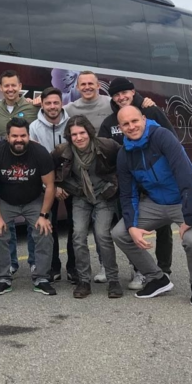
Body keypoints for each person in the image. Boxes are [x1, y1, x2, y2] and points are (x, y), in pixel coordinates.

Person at [111, 106, 192, 306]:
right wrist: (131, 226)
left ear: (144, 119)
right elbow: (127, 193)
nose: (131, 127)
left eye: (135, 121)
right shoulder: (124, 154)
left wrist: (189, 217)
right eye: (126, 124)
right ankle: (157, 278)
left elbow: (185, 175)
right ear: (120, 128)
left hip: (189, 199)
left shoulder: (162, 137)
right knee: (120, 232)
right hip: (156, 202)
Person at [97, 76, 175, 290]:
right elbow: (103, 154)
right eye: (116, 94)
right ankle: (141, 271)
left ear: (132, 92)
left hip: (156, 183)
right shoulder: (109, 122)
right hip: (128, 183)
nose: (121, 97)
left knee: (163, 228)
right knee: (130, 227)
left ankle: (164, 269)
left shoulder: (151, 111)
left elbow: (172, 141)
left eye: (124, 93)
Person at [0, 118, 57, 296]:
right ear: (7, 137)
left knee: (44, 230)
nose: (19, 139)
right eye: (14, 136)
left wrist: (44, 215)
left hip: (33, 199)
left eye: (23, 135)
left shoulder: (39, 152)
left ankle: (41, 278)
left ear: (28, 135)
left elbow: (50, 186)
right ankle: (3, 278)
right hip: (6, 200)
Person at [53, 116, 122, 299]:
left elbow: (123, 163)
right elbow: (51, 170)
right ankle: (84, 280)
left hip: (104, 195)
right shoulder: (62, 151)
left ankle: (113, 280)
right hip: (80, 196)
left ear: (89, 132)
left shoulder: (107, 145)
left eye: (82, 133)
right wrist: (57, 185)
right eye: (74, 134)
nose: (79, 137)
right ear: (69, 136)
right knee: (78, 235)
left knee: (102, 234)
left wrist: (114, 185)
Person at [29, 87, 76, 283]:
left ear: (61, 103)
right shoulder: (34, 127)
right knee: (50, 226)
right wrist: (53, 186)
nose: (52, 107)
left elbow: (77, 154)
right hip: (47, 184)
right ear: (42, 104)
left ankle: (74, 267)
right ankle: (53, 266)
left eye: (56, 102)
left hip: (73, 181)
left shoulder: (72, 122)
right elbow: (37, 160)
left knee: (76, 226)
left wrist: (66, 184)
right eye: (48, 103)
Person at [0, 70, 38, 138]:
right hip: (2, 148)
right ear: (1, 87)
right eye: (6, 86)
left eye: (13, 85)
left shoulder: (33, 107)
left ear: (20, 86)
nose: (10, 89)